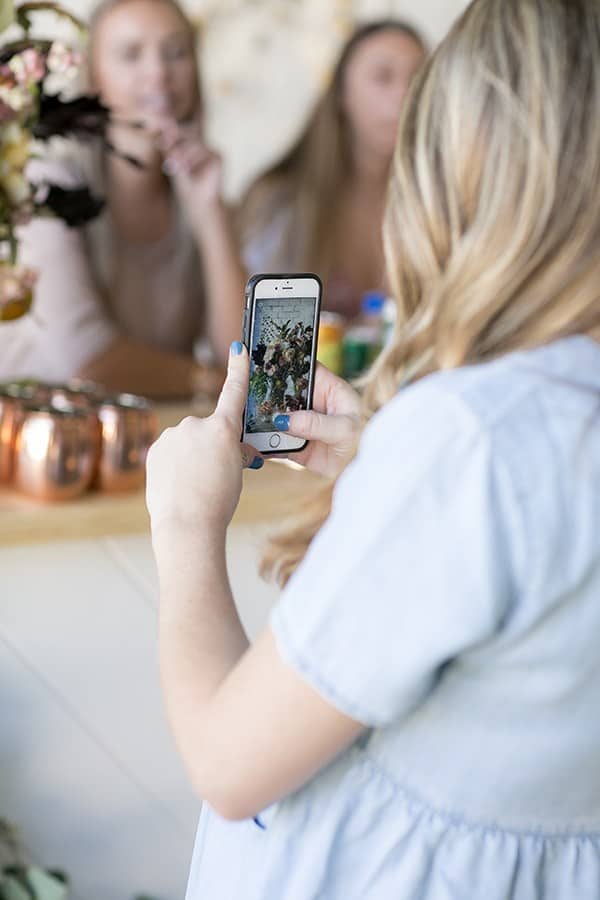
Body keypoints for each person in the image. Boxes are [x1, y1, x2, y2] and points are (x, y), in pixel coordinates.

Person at [146, 0, 600, 897]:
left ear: (459, 167)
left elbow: (227, 765)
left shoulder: (470, 441)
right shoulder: (509, 433)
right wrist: (386, 465)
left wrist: (184, 525)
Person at [0, 0, 245, 398]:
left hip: (145, 439)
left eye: (176, 52)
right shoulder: (47, 184)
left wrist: (211, 214)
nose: (159, 74)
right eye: (131, 55)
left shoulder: (196, 193)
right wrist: (210, 380)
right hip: (37, 441)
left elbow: (241, 354)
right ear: (94, 79)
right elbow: (85, 363)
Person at [238, 20, 426, 320]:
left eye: (420, 78)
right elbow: (251, 330)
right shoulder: (280, 202)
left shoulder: (440, 202)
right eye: (383, 77)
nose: (405, 95)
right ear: (342, 93)